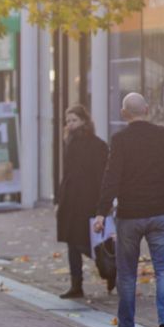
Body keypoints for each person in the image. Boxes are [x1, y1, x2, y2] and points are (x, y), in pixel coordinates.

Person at [94, 92, 164, 327]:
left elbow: (111, 177)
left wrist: (101, 212)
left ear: (124, 113)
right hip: (160, 212)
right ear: (147, 110)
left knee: (127, 274)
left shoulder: (120, 140)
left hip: (130, 215)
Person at [56, 105, 109, 299]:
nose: (70, 124)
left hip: (88, 200)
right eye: (68, 121)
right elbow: (67, 174)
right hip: (70, 200)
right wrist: (59, 199)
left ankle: (109, 270)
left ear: (84, 121)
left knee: (87, 242)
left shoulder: (98, 145)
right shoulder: (69, 142)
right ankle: (76, 284)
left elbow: (101, 176)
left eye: (74, 120)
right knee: (72, 242)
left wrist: (102, 203)